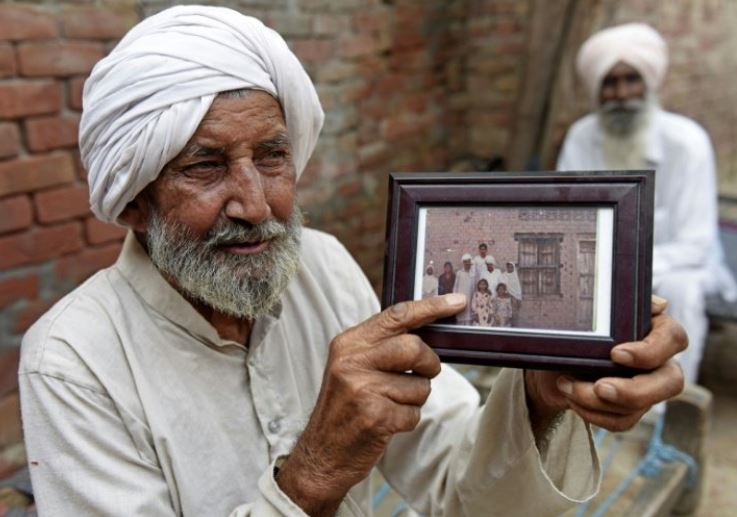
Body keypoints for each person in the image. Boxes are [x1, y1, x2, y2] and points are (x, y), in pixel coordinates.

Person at [19, 7, 686, 516]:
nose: (255, 203)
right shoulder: (72, 359)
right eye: (205, 165)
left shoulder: (320, 263)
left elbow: (459, 479)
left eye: (273, 156)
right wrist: (310, 474)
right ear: (134, 200)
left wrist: (539, 399)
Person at [557, 22, 736, 383]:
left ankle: (669, 400)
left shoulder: (687, 143)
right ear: (597, 90)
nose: (622, 94)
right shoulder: (581, 137)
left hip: (674, 266)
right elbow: (568, 218)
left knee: (681, 292)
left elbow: (695, 245)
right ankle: (582, 381)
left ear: (649, 84)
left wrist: (627, 271)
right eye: (610, 83)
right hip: (597, 261)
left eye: (632, 80)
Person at [452, 253, 476, 325]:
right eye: (465, 262)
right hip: (461, 298)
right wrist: (455, 298)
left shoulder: (473, 274)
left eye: (468, 262)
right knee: (460, 317)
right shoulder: (459, 273)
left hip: (470, 298)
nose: (467, 264)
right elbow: (455, 287)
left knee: (469, 319)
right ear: (463, 263)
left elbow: (474, 287)